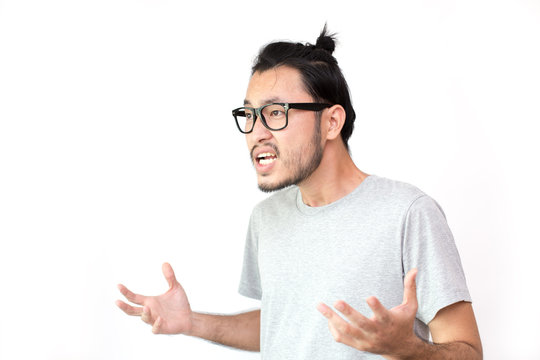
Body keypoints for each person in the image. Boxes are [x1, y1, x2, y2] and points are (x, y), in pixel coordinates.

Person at [116, 26, 482, 359]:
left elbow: (469, 351)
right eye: (249, 115)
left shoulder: (408, 212)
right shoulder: (266, 218)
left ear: (331, 122)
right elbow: (284, 323)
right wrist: (191, 322)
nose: (256, 132)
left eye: (276, 112)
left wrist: (409, 349)